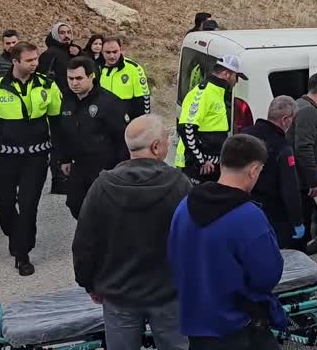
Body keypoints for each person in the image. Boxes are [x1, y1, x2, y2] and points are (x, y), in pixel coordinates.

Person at [72, 115, 192, 350]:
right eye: (167, 141)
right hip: (169, 294)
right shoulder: (180, 185)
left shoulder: (102, 187)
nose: (169, 145)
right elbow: (195, 240)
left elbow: (84, 243)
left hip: (119, 296)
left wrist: (89, 284)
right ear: (156, 147)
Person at [168, 135, 285, 350]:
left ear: (221, 163)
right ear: (253, 170)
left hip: (194, 322)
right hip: (237, 325)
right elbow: (268, 274)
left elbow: (174, 257)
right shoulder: (250, 216)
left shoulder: (184, 206)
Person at [0, 42, 62, 276]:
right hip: (5, 157)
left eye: (36, 60)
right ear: (15, 61)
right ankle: (15, 233)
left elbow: (58, 123)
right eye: (30, 61)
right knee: (3, 202)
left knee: (28, 203)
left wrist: (62, 155)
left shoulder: (47, 85)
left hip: (36, 156)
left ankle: (22, 254)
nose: (35, 64)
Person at [56, 57, 131, 219]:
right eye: (70, 78)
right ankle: (89, 231)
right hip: (80, 164)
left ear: (91, 77)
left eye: (79, 78)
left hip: (105, 166)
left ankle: (99, 239)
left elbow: (122, 138)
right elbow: (64, 131)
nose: (74, 83)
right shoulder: (67, 99)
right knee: (74, 202)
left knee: (102, 207)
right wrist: (65, 158)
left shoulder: (109, 102)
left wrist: (120, 169)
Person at [241, 96, 305, 249]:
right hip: (272, 211)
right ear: (285, 120)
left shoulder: (244, 135)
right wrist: (297, 221)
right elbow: (290, 188)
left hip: (243, 203)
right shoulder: (283, 147)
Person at [175, 56, 248, 184]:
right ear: (226, 74)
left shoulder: (218, 93)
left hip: (211, 163)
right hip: (197, 166)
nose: (236, 81)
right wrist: (200, 160)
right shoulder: (203, 93)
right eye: (236, 77)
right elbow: (186, 128)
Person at [40, 21, 75, 194]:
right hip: (56, 104)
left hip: (73, 102)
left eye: (69, 31)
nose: (66, 35)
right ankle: (58, 180)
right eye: (62, 32)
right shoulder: (50, 54)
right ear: (55, 34)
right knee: (58, 141)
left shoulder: (71, 52)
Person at [289, 72, 317, 198]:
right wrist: (314, 182)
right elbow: (303, 149)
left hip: (295, 177)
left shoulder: (298, 104)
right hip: (301, 181)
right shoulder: (309, 111)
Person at [99, 36, 152, 120]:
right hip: (102, 122)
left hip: (127, 122)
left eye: (115, 52)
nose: (112, 56)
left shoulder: (134, 69)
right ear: (102, 52)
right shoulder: (96, 68)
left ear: (120, 50)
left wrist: (141, 124)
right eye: (108, 52)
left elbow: (143, 99)